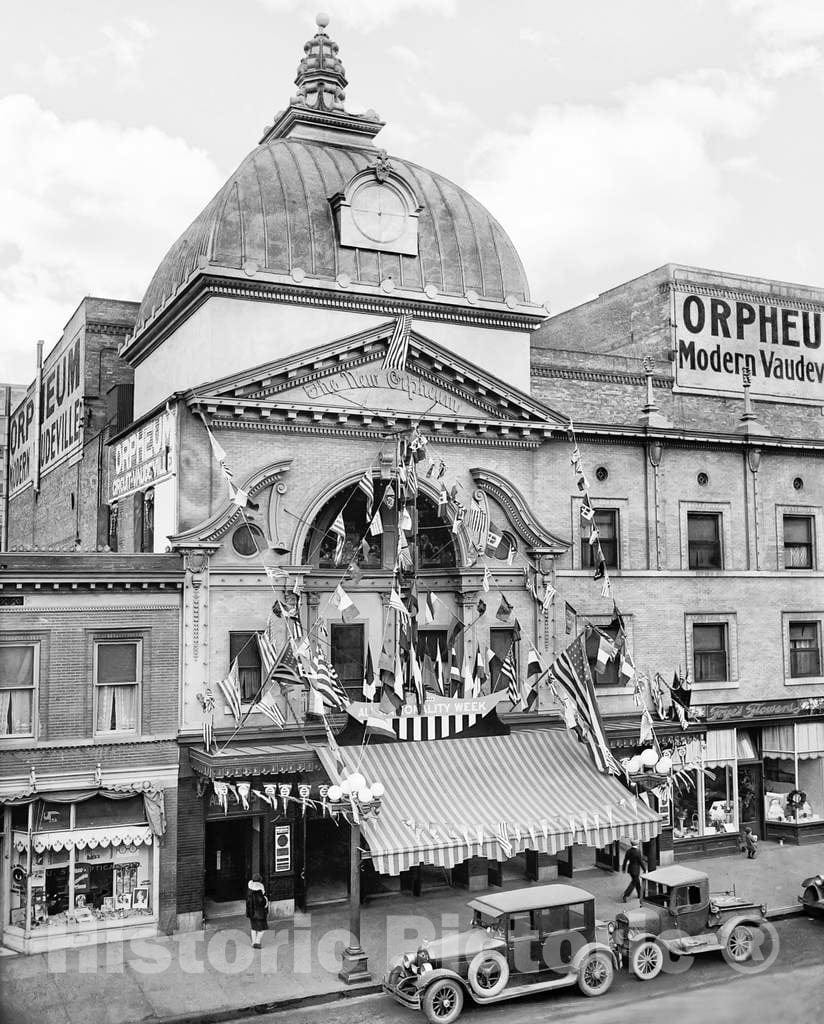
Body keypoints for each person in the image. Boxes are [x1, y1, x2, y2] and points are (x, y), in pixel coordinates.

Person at [245, 873, 269, 948]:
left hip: (251, 913)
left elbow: (248, 902)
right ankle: (257, 942)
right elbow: (262, 902)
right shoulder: (259, 890)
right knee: (262, 928)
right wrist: (266, 899)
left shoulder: (249, 890)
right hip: (260, 913)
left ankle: (253, 942)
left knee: (253, 927)